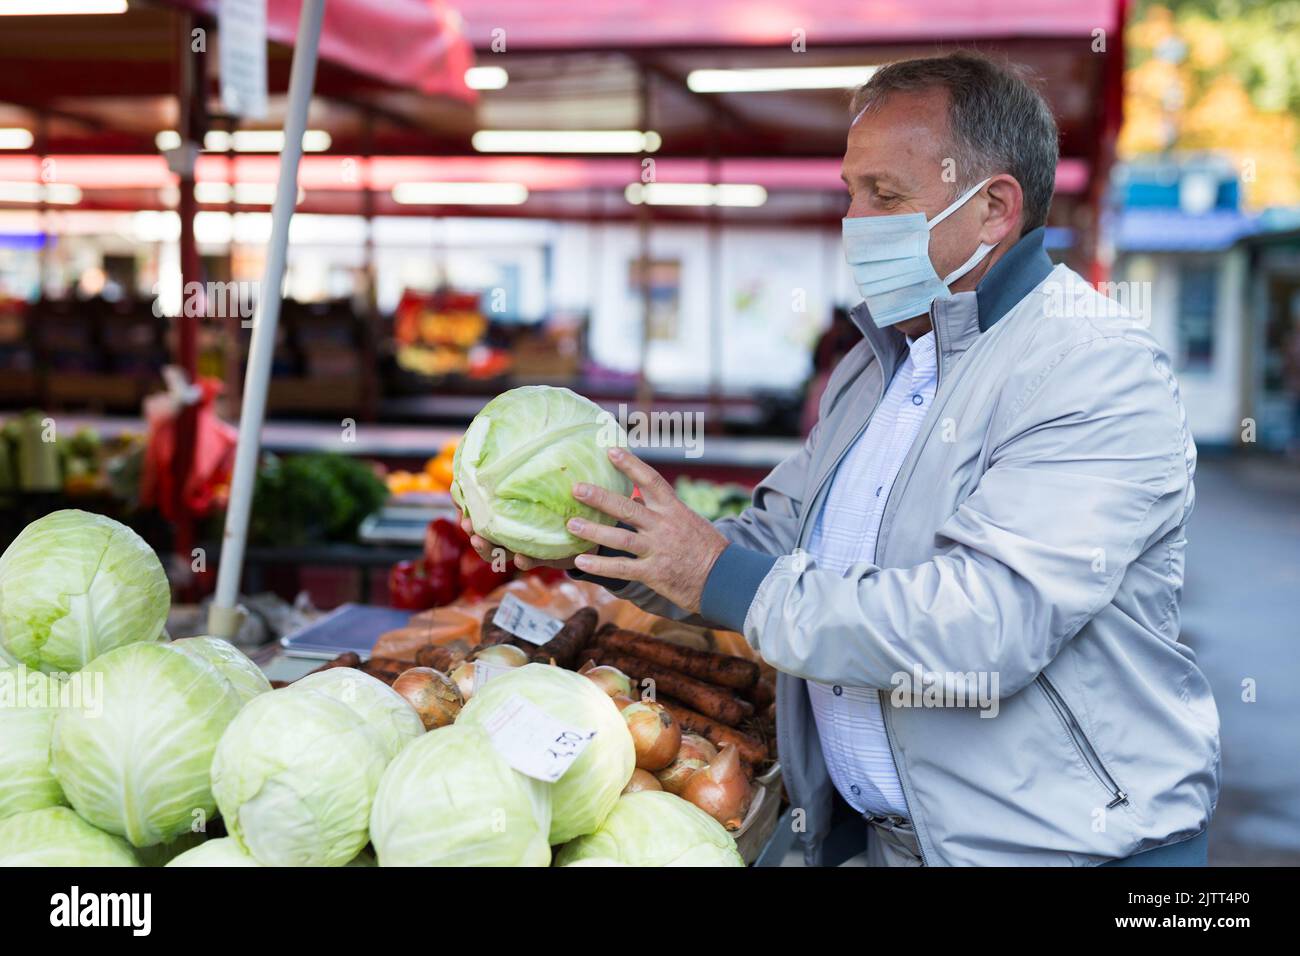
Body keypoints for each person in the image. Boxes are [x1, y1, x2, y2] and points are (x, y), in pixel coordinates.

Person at [460, 52, 1220, 866]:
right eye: (851, 192)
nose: (854, 221)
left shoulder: (1090, 366)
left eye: (884, 196)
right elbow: (775, 546)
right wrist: (602, 539)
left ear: (995, 206)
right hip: (889, 847)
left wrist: (709, 570)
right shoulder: (881, 360)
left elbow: (984, 627)